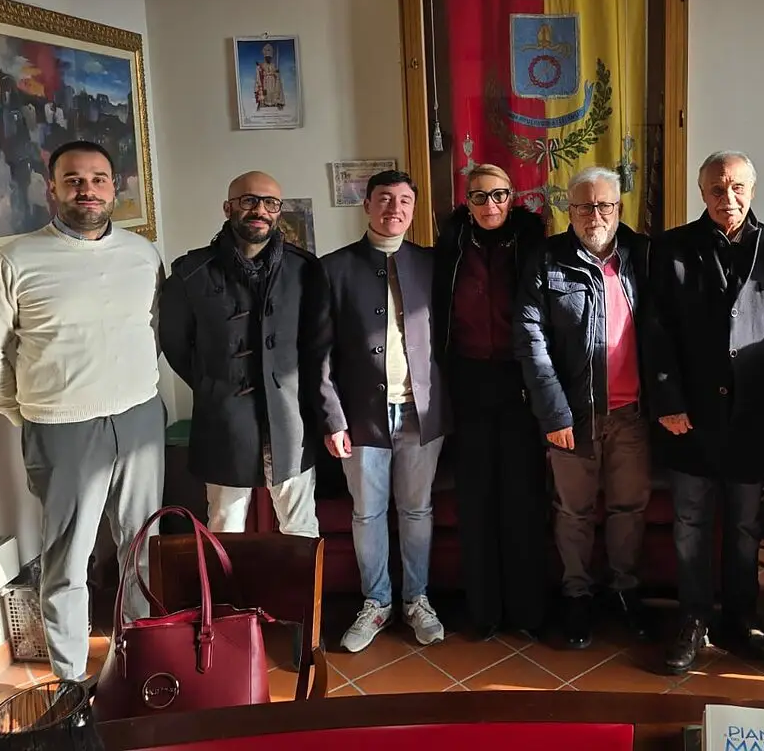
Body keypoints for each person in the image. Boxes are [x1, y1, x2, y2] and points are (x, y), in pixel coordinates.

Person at [0, 140, 165, 683]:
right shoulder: (14, 260)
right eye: (73, 180)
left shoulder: (143, 253)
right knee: (68, 560)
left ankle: (138, 661)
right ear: (52, 188)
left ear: (115, 187)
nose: (87, 190)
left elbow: (152, 328)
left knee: (142, 547)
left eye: (98, 179)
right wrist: (27, 411)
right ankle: (72, 682)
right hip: (61, 426)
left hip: (140, 418)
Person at [652, 151, 764, 673]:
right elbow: (656, 329)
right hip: (689, 416)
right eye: (717, 189)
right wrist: (668, 400)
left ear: (753, 190)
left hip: (753, 416)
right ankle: (693, 619)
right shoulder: (670, 247)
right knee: (690, 523)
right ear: (702, 193)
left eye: (737, 187)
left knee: (743, 526)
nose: (727, 197)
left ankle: (741, 617)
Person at [159, 171, 345, 538]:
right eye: (249, 200)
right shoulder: (191, 273)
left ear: (278, 211)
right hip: (223, 422)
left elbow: (317, 346)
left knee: (300, 528)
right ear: (228, 207)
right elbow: (176, 343)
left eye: (270, 203)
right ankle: (233, 583)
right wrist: (215, 383)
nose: (260, 210)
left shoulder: (304, 270)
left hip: (291, 421)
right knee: (225, 527)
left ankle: (298, 582)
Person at [516, 166, 653, 650]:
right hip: (572, 416)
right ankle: (577, 594)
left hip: (632, 414)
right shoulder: (545, 260)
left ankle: (624, 590)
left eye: (604, 205)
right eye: (583, 206)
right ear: (568, 211)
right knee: (573, 510)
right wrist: (554, 414)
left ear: (619, 208)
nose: (594, 215)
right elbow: (531, 341)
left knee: (629, 507)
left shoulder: (643, 255)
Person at [322, 169, 451, 652]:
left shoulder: (432, 264)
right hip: (362, 417)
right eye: (384, 199)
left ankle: (417, 599)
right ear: (367, 205)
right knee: (368, 513)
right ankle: (376, 602)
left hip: (422, 413)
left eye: (404, 201)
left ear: (413, 209)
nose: (394, 208)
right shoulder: (334, 268)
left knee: (417, 510)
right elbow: (319, 354)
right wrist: (333, 418)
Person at [433, 164, 548, 640]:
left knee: (523, 497)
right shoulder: (451, 245)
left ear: (512, 196)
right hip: (467, 380)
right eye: (479, 197)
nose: (490, 205)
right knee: (476, 499)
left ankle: (528, 610)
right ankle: (483, 611)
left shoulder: (532, 242)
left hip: (520, 380)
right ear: (467, 202)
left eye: (498, 195)